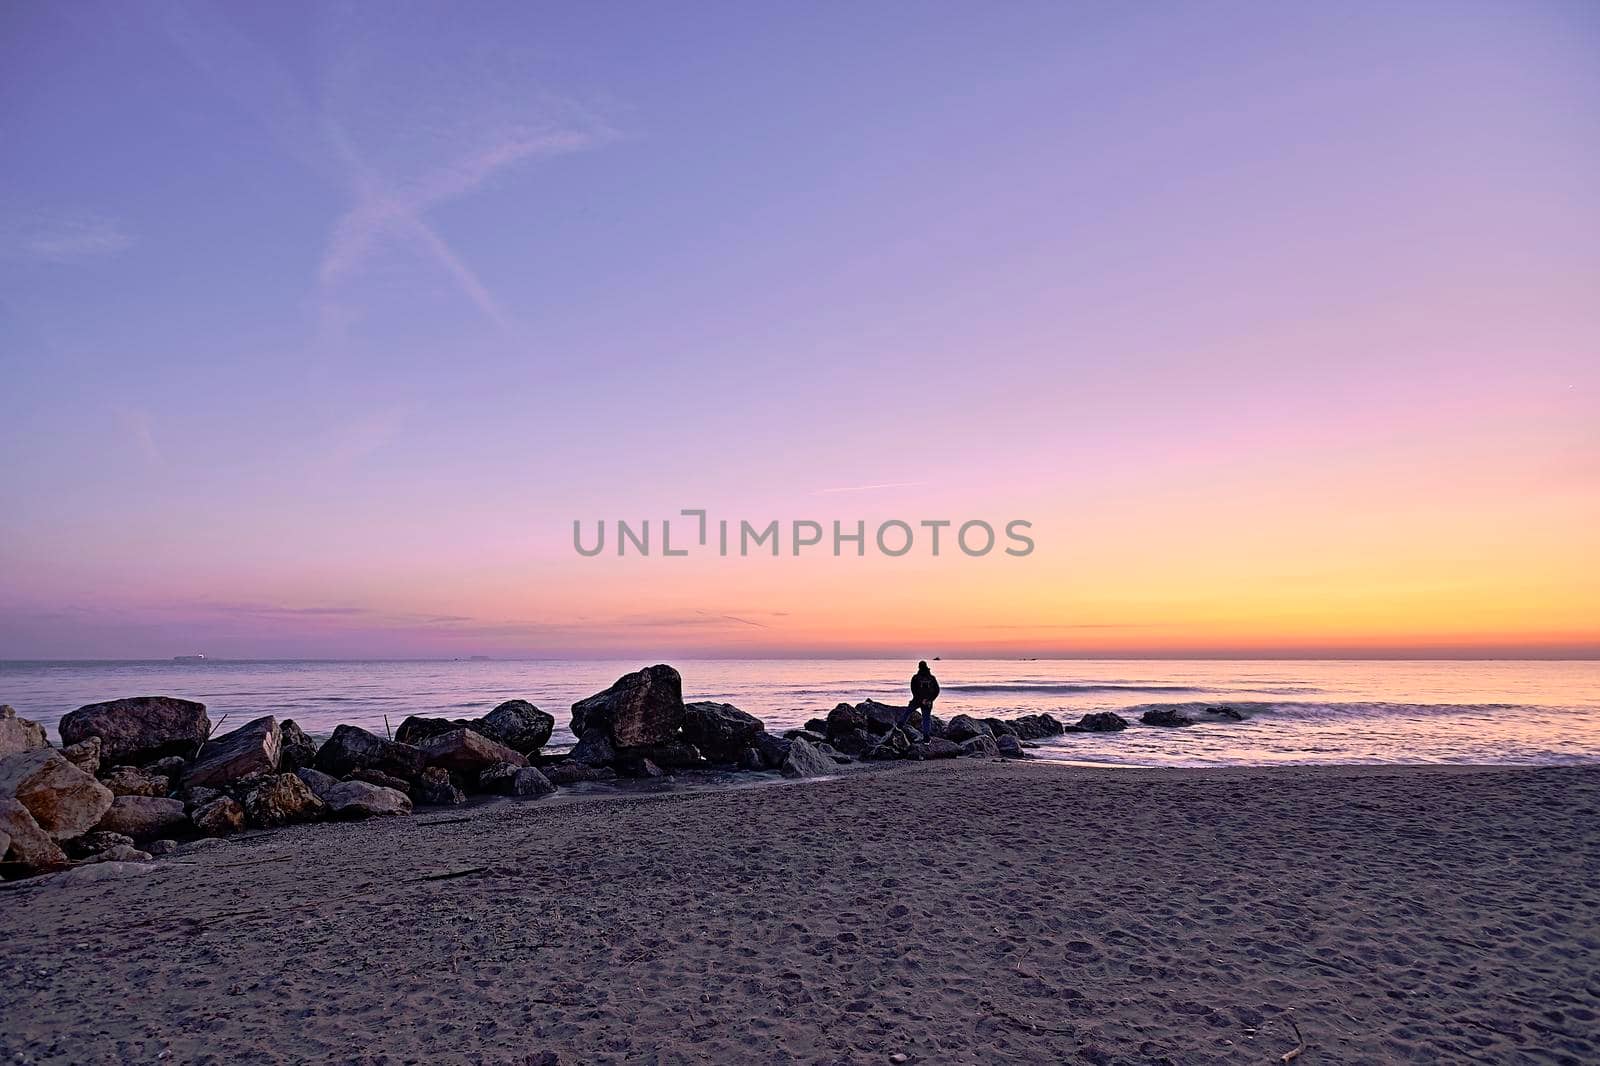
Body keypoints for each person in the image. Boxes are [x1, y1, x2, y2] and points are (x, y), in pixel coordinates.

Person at [896, 660, 940, 741]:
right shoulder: (932, 678)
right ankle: (926, 739)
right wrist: (930, 699)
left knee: (907, 712)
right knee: (926, 719)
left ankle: (898, 727)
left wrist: (919, 699)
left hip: (916, 700)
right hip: (928, 702)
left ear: (919, 667)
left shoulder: (915, 677)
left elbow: (913, 690)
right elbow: (937, 690)